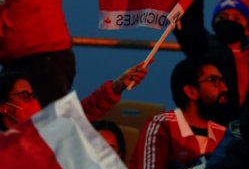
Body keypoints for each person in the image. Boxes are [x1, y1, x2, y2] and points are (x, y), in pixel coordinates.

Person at [134, 57, 228, 169]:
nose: (224, 88)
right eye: (214, 80)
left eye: (222, 80)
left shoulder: (224, 133)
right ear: (191, 91)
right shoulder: (162, 124)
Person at [177, 0, 249, 124]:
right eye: (223, 17)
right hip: (212, 128)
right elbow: (187, 21)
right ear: (214, 24)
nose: (229, 20)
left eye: (237, 18)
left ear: (248, 28)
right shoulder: (204, 46)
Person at [0, 62, 147, 129]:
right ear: (3, 107)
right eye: (25, 96)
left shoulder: (47, 135)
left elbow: (83, 113)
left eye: (34, 96)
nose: (33, 102)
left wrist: (117, 86)